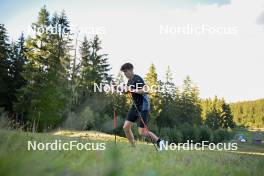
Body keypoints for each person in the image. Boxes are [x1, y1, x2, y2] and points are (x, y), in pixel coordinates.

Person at [120, 62, 165, 150]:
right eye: (123, 72)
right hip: (135, 106)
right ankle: (133, 147)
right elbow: (126, 91)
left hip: (143, 106)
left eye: (125, 71)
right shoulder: (129, 81)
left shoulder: (138, 79)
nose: (124, 74)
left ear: (131, 70)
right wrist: (118, 88)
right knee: (126, 127)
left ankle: (160, 142)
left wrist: (132, 89)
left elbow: (145, 90)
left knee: (142, 132)